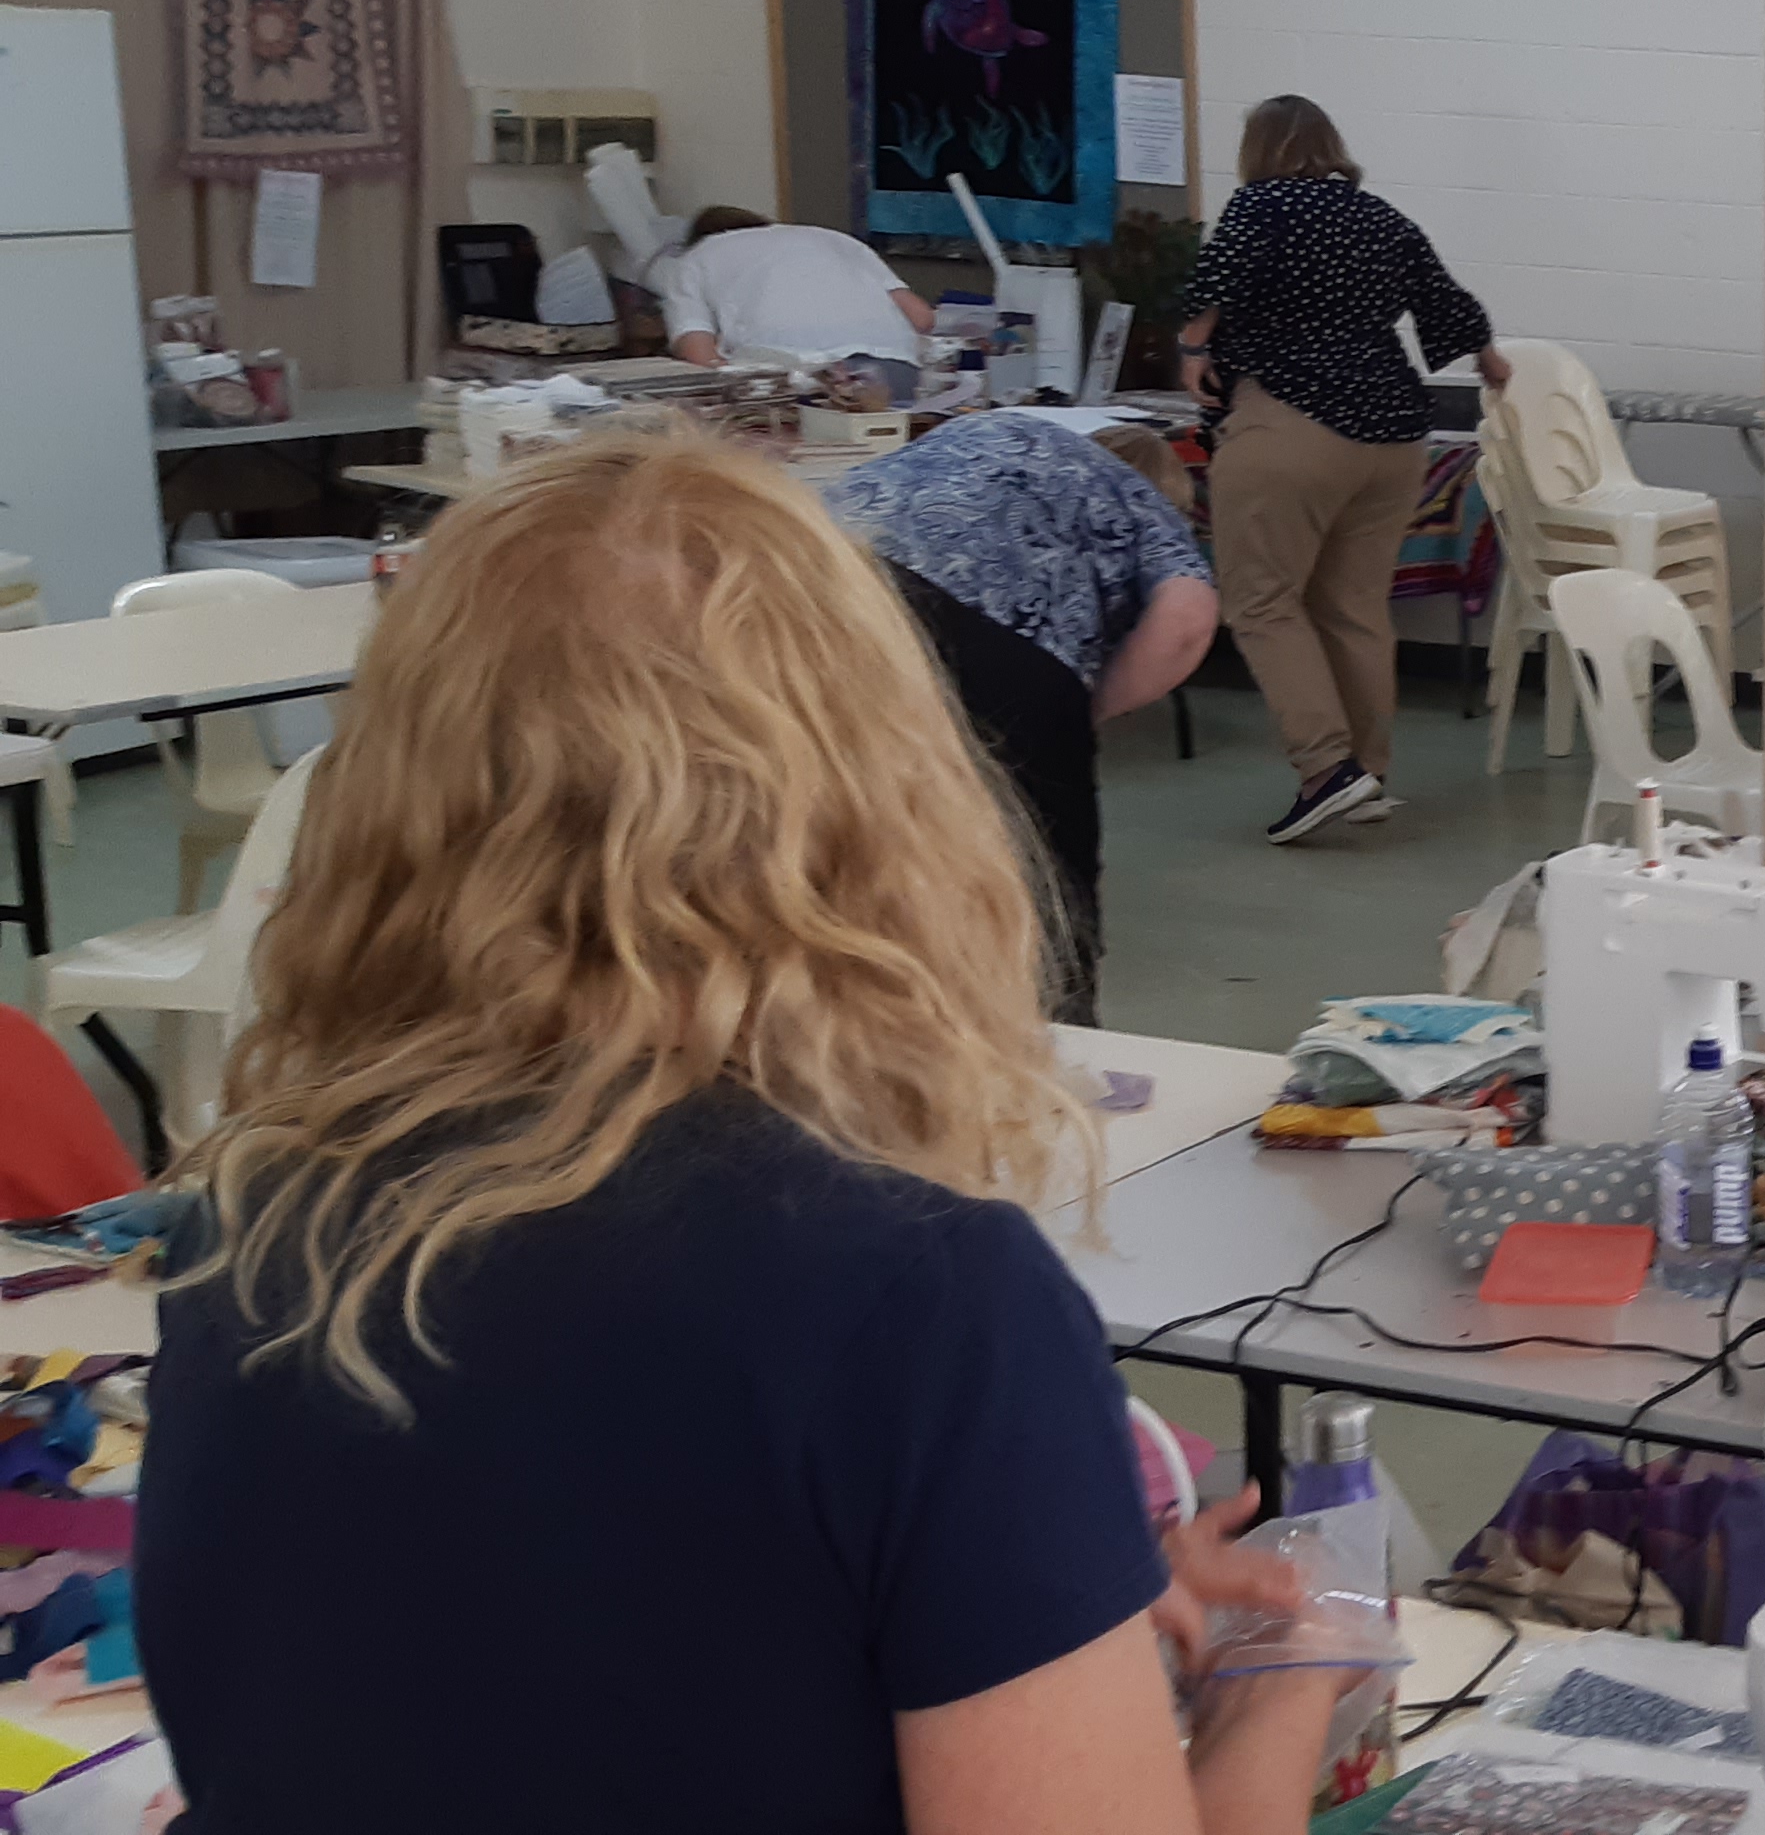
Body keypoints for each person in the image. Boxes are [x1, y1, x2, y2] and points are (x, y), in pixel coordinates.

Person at [139, 433, 1350, 1833]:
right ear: (882, 797)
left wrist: (1041, 1596)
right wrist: (1279, 1695)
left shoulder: (247, 1225)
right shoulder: (920, 1300)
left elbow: (506, 1662)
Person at [1180, 94, 1507, 845]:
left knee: (1262, 601)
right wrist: (1489, 358)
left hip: (1291, 421)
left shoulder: (1260, 205)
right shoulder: (1380, 217)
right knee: (1353, 606)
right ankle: (1366, 774)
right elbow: (1447, 303)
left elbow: (1216, 281)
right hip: (1393, 437)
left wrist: (1194, 347)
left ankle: (1326, 770)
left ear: (1259, 149)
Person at [823, 412, 1221, 1021]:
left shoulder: (995, 439)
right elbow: (1187, 623)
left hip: (806, 576)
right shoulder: (1140, 504)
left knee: (839, 827)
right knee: (1044, 870)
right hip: (963, 620)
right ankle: (1051, 1031)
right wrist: (1080, 713)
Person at [660, 206, 936, 368]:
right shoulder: (835, 239)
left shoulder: (696, 257)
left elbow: (700, 356)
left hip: (784, 370)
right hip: (890, 363)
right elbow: (922, 318)